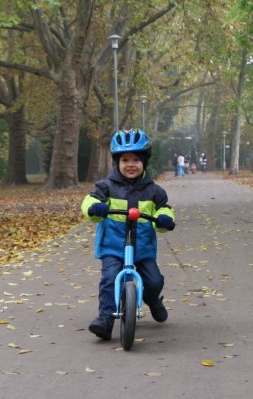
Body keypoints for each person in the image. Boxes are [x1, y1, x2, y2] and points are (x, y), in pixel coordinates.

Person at [81, 129, 176, 341]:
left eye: (135, 159)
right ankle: (105, 318)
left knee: (154, 281)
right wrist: (95, 208)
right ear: (117, 162)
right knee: (109, 278)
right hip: (114, 245)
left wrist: (164, 219)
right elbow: (89, 201)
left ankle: (153, 300)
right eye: (124, 160)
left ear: (144, 162)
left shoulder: (154, 191)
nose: (130, 164)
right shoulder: (105, 187)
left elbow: (164, 209)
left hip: (142, 247)